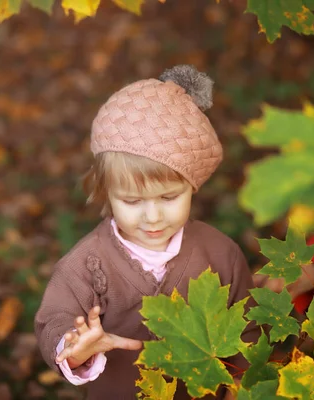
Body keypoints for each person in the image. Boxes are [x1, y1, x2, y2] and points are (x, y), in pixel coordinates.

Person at [34, 65, 260, 400]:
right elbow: (55, 317)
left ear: (192, 187)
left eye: (169, 197)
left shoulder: (220, 255)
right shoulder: (87, 264)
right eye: (132, 200)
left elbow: (247, 328)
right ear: (106, 191)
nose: (152, 216)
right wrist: (75, 347)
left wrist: (242, 381)